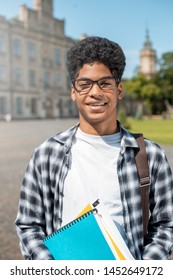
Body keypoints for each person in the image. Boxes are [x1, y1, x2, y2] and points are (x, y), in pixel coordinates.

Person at [15, 36, 173, 260]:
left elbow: (166, 226)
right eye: (85, 84)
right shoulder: (46, 154)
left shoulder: (151, 156)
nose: (95, 92)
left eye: (105, 83)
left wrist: (141, 271)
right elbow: (28, 226)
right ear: (73, 92)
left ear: (119, 90)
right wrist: (52, 269)